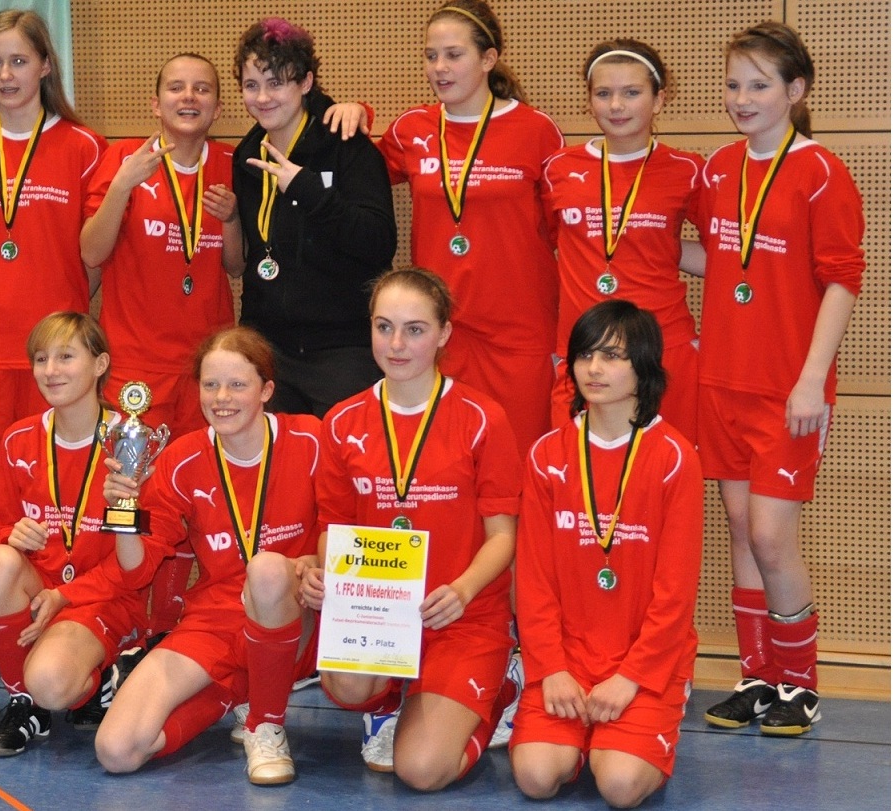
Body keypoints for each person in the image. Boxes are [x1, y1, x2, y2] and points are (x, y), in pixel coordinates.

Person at [697, 21, 863, 737]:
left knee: (771, 535)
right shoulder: (716, 169)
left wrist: (811, 378)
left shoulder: (821, 170)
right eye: (734, 84)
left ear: (795, 92)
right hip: (722, 380)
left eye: (759, 85)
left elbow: (841, 279)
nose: (743, 98)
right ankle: (758, 674)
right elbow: (724, 261)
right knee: (739, 528)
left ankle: (801, 681)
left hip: (786, 389)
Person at [302, 268, 521, 791]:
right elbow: (334, 528)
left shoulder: (482, 418)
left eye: (415, 329)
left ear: (444, 332)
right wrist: (327, 572)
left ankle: (500, 691)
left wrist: (464, 590)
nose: (396, 344)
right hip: (380, 611)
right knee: (347, 685)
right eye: (384, 327)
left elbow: (503, 537)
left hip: (459, 614)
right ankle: (389, 702)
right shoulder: (341, 421)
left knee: (421, 771)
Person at [95, 327, 322, 786]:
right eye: (210, 384)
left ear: (267, 390)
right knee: (116, 750)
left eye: (238, 385)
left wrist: (318, 561)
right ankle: (238, 689)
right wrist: (123, 509)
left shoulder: (312, 441)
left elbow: (348, 518)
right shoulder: (182, 459)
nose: (222, 398)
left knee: (268, 571)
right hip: (218, 617)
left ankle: (266, 724)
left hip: (299, 616)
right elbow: (136, 570)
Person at [0, 9, 108, 582]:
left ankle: (45, 612)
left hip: (57, 359)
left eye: (18, 61)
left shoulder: (85, 146)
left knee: (53, 505)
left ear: (45, 67)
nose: (6, 74)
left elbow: (93, 257)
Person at [510, 300, 702, 808]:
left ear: (644, 365)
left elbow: (676, 593)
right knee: (534, 777)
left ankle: (636, 726)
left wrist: (631, 678)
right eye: (585, 355)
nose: (595, 369)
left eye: (613, 356)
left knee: (618, 786)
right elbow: (533, 579)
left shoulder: (675, 459)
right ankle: (578, 739)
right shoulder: (546, 456)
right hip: (567, 659)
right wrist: (551, 665)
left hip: (642, 663)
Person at [81, 53, 241, 640]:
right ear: (156, 102)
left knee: (197, 499)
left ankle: (171, 629)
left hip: (208, 372)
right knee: (128, 500)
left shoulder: (229, 163)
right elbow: (91, 252)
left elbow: (237, 266)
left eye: (202, 89)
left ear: (218, 107)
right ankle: (118, 622)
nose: (189, 97)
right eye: (175, 87)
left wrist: (230, 222)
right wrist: (123, 184)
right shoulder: (123, 158)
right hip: (136, 371)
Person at [364, 0, 562, 458]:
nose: (439, 68)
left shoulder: (535, 130)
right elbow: (358, 177)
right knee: (445, 468)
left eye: (453, 55)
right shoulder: (411, 129)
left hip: (519, 332)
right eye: (431, 56)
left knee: (519, 466)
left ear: (488, 59)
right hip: (437, 332)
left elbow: (563, 233)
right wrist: (352, 114)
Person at [0, 311, 148, 757]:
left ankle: (96, 677)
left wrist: (67, 597)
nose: (50, 371)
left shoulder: (132, 446)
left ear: (100, 364)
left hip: (104, 597)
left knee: (53, 682)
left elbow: (139, 559)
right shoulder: (18, 439)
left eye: (66, 356)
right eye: (41, 358)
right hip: (42, 586)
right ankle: (23, 703)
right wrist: (13, 535)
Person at [232, 17, 397, 418]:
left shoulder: (345, 144)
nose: (263, 98)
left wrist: (308, 190)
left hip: (343, 350)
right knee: (275, 473)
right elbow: (257, 256)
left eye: (277, 83)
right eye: (251, 86)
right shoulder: (247, 155)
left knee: (343, 474)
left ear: (306, 84)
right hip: (269, 349)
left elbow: (378, 243)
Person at [541, 40, 706, 442]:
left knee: (662, 483)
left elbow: (725, 255)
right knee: (582, 486)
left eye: (631, 93)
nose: (616, 105)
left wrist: (665, 246)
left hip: (663, 350)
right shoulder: (558, 169)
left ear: (659, 99)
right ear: (589, 100)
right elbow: (543, 249)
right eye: (603, 93)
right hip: (584, 354)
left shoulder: (688, 170)